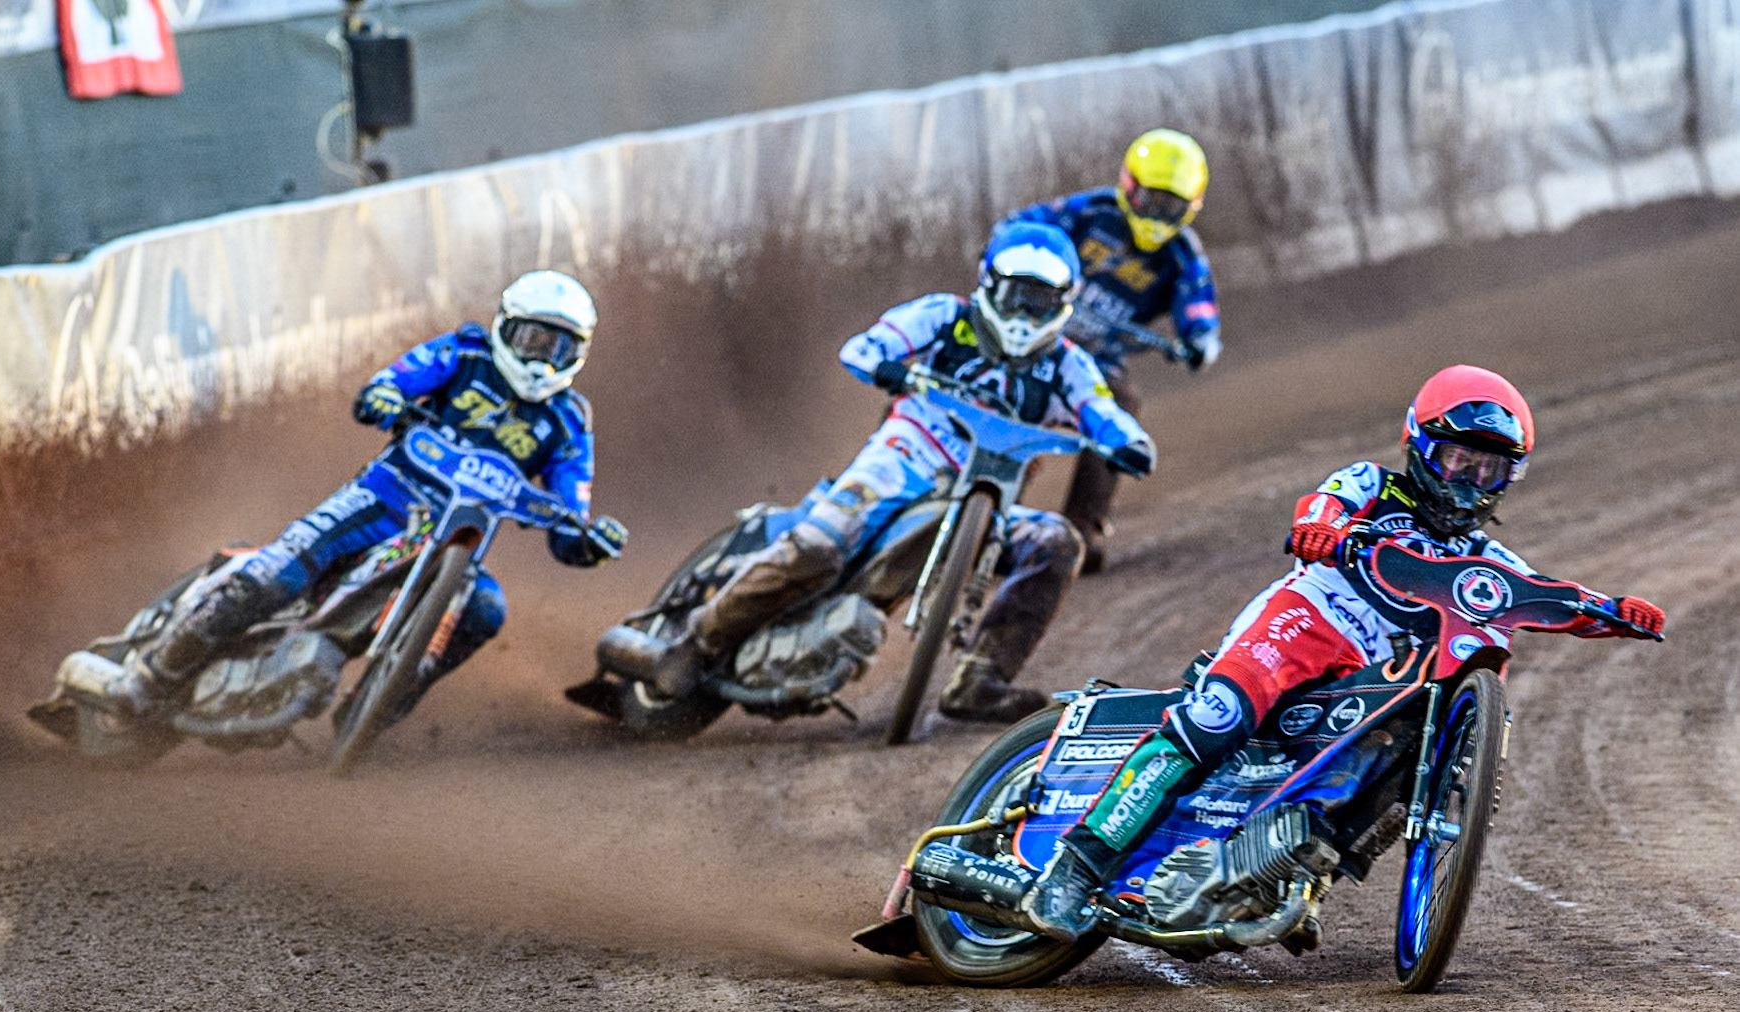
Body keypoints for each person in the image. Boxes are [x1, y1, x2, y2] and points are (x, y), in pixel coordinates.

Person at [1020, 364, 1667, 940]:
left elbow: (1544, 598)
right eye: (1455, 461)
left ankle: (1293, 868)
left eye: (1487, 469)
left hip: (1368, 672)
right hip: (1309, 619)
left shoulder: (1491, 562)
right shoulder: (1372, 486)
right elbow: (1326, 503)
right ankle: (1075, 867)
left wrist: (1610, 612)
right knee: (1215, 715)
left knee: (1411, 742)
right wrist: (1322, 529)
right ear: (1417, 448)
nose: (1469, 481)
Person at [653, 222, 1155, 725]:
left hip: (989, 490)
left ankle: (981, 678)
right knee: (819, 543)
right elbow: (863, 348)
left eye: (1040, 300)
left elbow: (1101, 410)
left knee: (1057, 542)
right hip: (901, 459)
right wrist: (887, 367)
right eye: (1017, 296)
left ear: (1064, 303)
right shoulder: (943, 315)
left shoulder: (1069, 364)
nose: (1025, 314)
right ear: (989, 283)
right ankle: (695, 643)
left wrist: (1129, 443)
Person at [85, 270, 629, 717]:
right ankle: (150, 678)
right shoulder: (464, 355)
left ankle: (380, 704)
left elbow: (569, 513)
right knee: (281, 572)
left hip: (453, 545)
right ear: (505, 328)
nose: (541, 360)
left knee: (485, 608)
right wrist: (387, 397)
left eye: (560, 348)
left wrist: (588, 539)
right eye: (533, 340)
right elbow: (392, 381)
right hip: (383, 498)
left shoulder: (568, 423)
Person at [999, 128, 1222, 573]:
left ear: (1190, 208)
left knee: (1121, 403)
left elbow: (1200, 309)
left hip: (1097, 357)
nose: (1157, 214)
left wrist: (1199, 341)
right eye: (1151, 200)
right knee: (1008, 397)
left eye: (1171, 206)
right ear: (1129, 186)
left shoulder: (1182, 255)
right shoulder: (1089, 211)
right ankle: (990, 517)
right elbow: (1014, 228)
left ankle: (1084, 527)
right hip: (1035, 331)